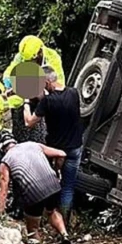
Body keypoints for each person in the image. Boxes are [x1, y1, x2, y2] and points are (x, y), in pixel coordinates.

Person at [0, 131, 74, 244]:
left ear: (1, 149)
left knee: (32, 227)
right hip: (53, 184)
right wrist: (57, 170)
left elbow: (3, 190)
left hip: (33, 192)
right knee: (52, 211)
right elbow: (61, 154)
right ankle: (65, 236)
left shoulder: (5, 161)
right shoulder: (33, 145)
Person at [23, 66, 84, 224]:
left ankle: (47, 215)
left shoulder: (48, 102)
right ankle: (64, 221)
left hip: (55, 151)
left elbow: (29, 122)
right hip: (75, 148)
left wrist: (26, 103)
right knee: (68, 186)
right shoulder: (74, 93)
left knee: (48, 182)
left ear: (47, 81)